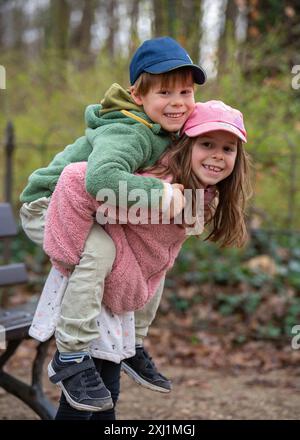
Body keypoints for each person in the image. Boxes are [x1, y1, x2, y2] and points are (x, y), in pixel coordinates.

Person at [30, 100, 252, 419]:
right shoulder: (152, 180)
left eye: (228, 149)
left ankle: (132, 346)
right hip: (93, 280)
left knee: (105, 389)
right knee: (90, 392)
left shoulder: (204, 195)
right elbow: (89, 191)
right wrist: (80, 257)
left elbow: (160, 253)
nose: (217, 155)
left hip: (121, 286)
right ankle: (71, 357)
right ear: (186, 144)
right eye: (207, 144)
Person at [20, 36, 207, 410]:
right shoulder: (129, 130)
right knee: (101, 250)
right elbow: (100, 180)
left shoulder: (166, 129)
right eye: (164, 92)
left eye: (185, 91)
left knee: (154, 253)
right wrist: (164, 197)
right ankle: (70, 354)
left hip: (88, 209)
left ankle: (134, 342)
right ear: (138, 95)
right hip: (48, 205)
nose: (177, 102)